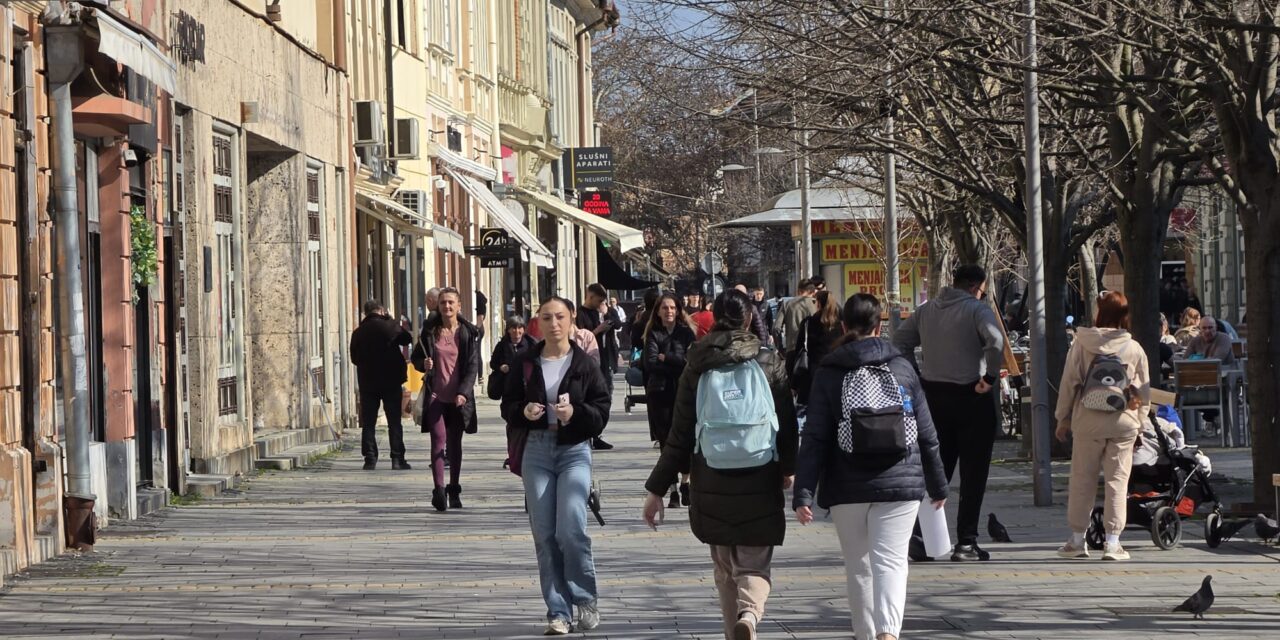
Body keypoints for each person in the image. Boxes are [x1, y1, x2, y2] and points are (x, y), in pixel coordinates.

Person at [642, 289, 799, 640]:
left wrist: (656, 490)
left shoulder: (697, 362)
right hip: (760, 474)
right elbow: (787, 423)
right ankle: (750, 614)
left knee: (725, 570)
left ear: (714, 318)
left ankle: (734, 632)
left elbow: (679, 434)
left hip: (711, 478)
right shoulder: (768, 360)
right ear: (749, 318)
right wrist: (789, 468)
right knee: (754, 562)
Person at [794, 293, 947, 640]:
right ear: (880, 327)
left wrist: (804, 492)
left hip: (847, 486)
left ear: (843, 326)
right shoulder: (902, 367)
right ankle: (888, 634)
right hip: (901, 481)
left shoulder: (830, 372)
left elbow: (815, 437)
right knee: (891, 562)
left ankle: (865, 635)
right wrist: (938, 485)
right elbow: (927, 434)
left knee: (859, 566)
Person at [501, 296, 611, 635]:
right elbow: (507, 404)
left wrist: (575, 413)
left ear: (572, 318)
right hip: (536, 450)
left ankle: (585, 598)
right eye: (546, 317)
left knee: (570, 529)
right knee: (545, 533)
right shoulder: (525, 362)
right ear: (538, 321)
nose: (554, 324)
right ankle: (558, 612)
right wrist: (524, 411)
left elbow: (601, 411)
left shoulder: (584, 364)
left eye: (560, 317)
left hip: (574, 450)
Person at [892, 264, 1004, 561]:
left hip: (934, 397)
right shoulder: (977, 310)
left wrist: (916, 375)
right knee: (973, 473)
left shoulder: (926, 310)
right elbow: (995, 341)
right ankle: (966, 542)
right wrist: (990, 377)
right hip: (972, 396)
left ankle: (923, 538)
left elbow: (900, 341)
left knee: (935, 469)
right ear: (976, 286)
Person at [1054, 292, 1150, 561]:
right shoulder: (1133, 348)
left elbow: (1068, 384)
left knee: (1082, 480)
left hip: (1087, 423)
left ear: (1100, 313)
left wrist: (1062, 418)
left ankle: (1077, 541)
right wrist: (1140, 424)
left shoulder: (1082, 344)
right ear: (1124, 315)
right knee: (1117, 481)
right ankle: (1112, 543)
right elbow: (1143, 392)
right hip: (1123, 423)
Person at [411, 287, 482, 512]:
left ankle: (454, 489)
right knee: (437, 441)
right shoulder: (430, 332)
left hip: (459, 399)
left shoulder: (467, 334)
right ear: (438, 306)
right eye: (443, 303)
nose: (447, 306)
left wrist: (463, 392)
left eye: (451, 302)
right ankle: (439, 491)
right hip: (436, 396)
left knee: (454, 445)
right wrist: (423, 364)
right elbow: (416, 357)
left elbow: (473, 366)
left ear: (459, 305)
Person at [643, 292, 698, 506]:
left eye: (673, 308)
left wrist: (667, 358)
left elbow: (690, 362)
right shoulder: (653, 334)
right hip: (660, 394)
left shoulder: (686, 333)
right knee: (666, 442)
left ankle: (686, 482)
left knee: (686, 439)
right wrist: (677, 364)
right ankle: (673, 489)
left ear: (678, 310)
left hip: (683, 392)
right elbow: (650, 363)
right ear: (658, 311)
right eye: (665, 308)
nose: (669, 311)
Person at [349, 300, 413, 471]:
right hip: (391, 380)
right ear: (381, 310)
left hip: (368, 382)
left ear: (365, 312)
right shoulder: (390, 326)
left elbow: (354, 358)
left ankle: (370, 459)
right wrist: (390, 319)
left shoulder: (358, 332)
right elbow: (407, 339)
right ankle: (397, 459)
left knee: (369, 422)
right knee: (394, 421)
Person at [577, 284, 619, 451]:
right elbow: (582, 338)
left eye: (603, 301)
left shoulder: (603, 311)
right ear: (590, 297)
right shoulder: (581, 314)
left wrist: (607, 313)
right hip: (590, 362)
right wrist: (598, 330)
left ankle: (597, 432)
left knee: (606, 395)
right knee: (592, 397)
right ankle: (592, 434)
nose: (600, 303)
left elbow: (618, 324)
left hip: (606, 358)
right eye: (599, 300)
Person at [790, 290, 844, 405]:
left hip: (812, 376)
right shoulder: (840, 325)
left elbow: (799, 352)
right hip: (835, 375)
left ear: (818, 303)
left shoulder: (808, 323)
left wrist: (794, 384)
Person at [490, 315, 537, 421]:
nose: (517, 331)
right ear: (508, 330)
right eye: (513, 328)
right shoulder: (502, 345)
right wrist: (501, 367)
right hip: (508, 388)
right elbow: (493, 363)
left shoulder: (530, 344)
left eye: (520, 328)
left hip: (526, 388)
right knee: (510, 416)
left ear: (524, 329)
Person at [780, 280, 819, 356]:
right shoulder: (817, 305)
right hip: (813, 350)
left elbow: (776, 328)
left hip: (792, 349)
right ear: (813, 292)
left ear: (798, 291)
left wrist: (781, 348)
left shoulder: (787, 304)